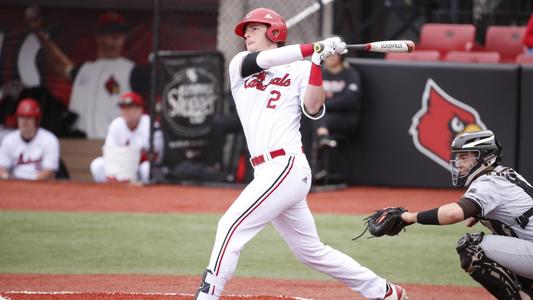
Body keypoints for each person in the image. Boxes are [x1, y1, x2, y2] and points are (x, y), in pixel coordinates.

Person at [193, 7, 406, 300]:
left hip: (286, 164)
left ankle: (207, 295)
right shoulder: (241, 63)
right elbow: (270, 59)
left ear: (274, 32)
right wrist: (315, 48)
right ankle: (383, 291)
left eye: (254, 29)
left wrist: (317, 61)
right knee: (311, 252)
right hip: (267, 170)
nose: (247, 35)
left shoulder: (302, 68)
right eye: (246, 31)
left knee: (230, 225)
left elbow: (314, 108)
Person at [398, 130, 533, 299]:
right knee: (499, 237)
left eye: (464, 157)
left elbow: (454, 214)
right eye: (458, 157)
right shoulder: (504, 174)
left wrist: (410, 217)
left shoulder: (489, 183)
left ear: (486, 157)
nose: (459, 163)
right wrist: (479, 215)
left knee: (471, 247)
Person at [25, 8, 145, 139]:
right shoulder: (85, 70)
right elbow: (58, 63)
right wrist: (39, 33)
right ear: (99, 37)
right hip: (77, 142)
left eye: (119, 33)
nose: (116, 38)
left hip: (110, 143)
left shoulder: (131, 70)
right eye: (111, 32)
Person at [90, 92, 163, 183]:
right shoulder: (116, 124)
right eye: (123, 107)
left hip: (140, 166)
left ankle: (146, 195)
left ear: (140, 109)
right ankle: (108, 192)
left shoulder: (150, 124)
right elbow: (110, 152)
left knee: (147, 168)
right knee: (97, 164)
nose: (126, 111)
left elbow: (156, 155)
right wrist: (120, 168)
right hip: (121, 165)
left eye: (130, 107)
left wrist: (132, 161)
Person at [0, 98, 60, 180]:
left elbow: (49, 171)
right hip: (14, 184)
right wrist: (7, 177)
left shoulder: (49, 140)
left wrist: (30, 182)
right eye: (21, 117)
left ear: (36, 120)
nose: (24, 121)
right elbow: (1, 168)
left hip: (40, 185)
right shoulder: (9, 139)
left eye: (28, 117)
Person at [316, 53, 362, 149]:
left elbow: (349, 99)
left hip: (345, 117)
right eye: (328, 54)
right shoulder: (320, 74)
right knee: (310, 117)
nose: (331, 57)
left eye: (335, 54)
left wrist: (324, 105)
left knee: (319, 117)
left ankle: (323, 137)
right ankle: (321, 139)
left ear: (341, 56)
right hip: (322, 114)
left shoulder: (350, 73)